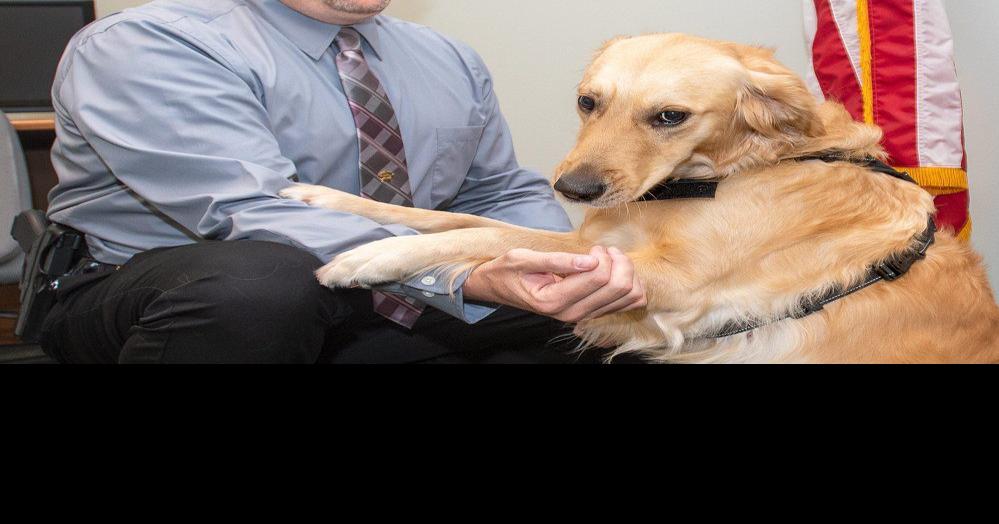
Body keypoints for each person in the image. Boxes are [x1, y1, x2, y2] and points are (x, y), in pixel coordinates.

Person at [39, 0, 646, 364]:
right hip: (173, 295)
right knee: (261, 283)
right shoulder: (153, 42)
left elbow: (496, 193)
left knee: (640, 301)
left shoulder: (447, 57)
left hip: (398, 292)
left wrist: (560, 268)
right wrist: (460, 273)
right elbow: (247, 208)